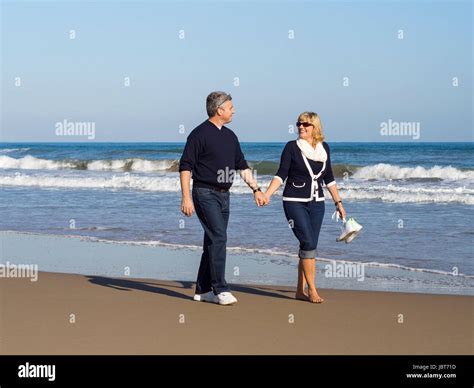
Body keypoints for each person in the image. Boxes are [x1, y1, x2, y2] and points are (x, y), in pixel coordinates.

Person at [179, 91, 266, 306]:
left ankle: (203, 289)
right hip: (204, 193)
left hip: (224, 196)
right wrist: (186, 198)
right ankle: (220, 288)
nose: (233, 110)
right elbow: (185, 167)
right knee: (219, 238)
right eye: (230, 107)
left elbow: (242, 166)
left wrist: (256, 189)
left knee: (212, 240)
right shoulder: (198, 134)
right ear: (220, 110)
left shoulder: (230, 136)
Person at [263, 112, 346, 303]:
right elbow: (280, 174)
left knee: (309, 246)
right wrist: (267, 194)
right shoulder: (291, 147)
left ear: (314, 127)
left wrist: (338, 203)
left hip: (317, 203)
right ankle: (312, 290)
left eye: (305, 124)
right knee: (308, 243)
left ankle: (299, 290)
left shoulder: (324, 148)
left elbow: (329, 178)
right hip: (293, 202)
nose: (301, 127)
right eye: (299, 124)